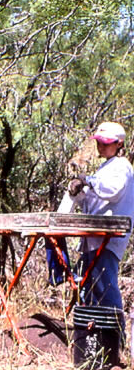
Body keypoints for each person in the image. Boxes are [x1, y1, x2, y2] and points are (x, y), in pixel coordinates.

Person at [68, 121, 134, 309]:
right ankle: (91, 331)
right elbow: (93, 202)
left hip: (109, 239)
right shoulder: (106, 167)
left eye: (106, 143)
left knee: (105, 288)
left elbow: (112, 191)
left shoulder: (122, 166)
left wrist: (87, 180)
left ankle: (114, 333)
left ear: (119, 144)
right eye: (99, 142)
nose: (101, 147)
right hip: (95, 238)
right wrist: (78, 193)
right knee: (84, 283)